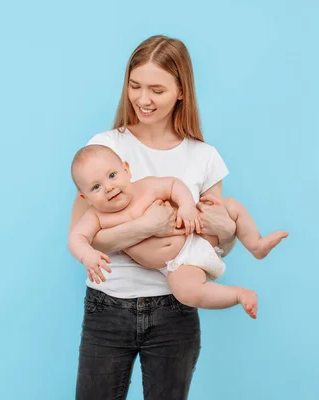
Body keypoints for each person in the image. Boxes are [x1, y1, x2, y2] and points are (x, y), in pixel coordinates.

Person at [70, 35, 249, 400]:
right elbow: (85, 235)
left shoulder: (204, 157)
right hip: (108, 305)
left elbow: (213, 243)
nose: (143, 99)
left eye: (156, 89)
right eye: (135, 86)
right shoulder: (106, 147)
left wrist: (228, 230)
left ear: (181, 91)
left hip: (175, 308)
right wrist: (148, 227)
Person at [68, 144, 289, 319]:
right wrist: (87, 255)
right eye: (96, 187)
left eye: (112, 175)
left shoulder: (145, 187)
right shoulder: (96, 216)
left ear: (126, 170)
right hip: (178, 265)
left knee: (229, 205)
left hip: (196, 231)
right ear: (84, 198)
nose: (109, 187)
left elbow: (174, 185)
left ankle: (256, 245)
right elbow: (76, 237)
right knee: (186, 291)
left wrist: (186, 206)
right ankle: (239, 295)